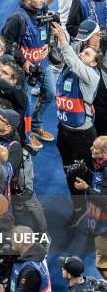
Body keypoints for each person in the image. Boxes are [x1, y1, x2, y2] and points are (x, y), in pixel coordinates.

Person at [51, 22, 100, 228]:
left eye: (88, 55)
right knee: (70, 172)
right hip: (64, 132)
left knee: (91, 176)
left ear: (94, 63)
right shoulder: (68, 70)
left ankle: (97, 214)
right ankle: (79, 209)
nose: (83, 55)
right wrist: (58, 39)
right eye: (83, 53)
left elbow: (72, 59)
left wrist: (64, 41)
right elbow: (63, 57)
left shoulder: (91, 76)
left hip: (84, 137)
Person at [1, 0, 56, 150]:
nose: (43, 1)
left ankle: (36, 124)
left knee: (50, 93)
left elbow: (48, 28)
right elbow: (5, 43)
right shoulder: (17, 19)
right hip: (26, 70)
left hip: (43, 63)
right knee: (26, 104)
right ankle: (26, 134)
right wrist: (23, 61)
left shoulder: (44, 8)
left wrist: (48, 44)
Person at [73, 136, 107, 278]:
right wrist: (87, 172)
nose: (90, 149)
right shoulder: (100, 164)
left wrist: (87, 188)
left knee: (101, 264)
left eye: (95, 147)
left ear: (105, 153)